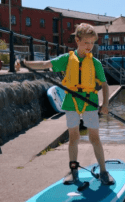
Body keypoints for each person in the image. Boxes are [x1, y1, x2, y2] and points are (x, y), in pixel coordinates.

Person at [23, 23, 115, 185]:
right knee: (74, 137)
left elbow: (105, 85)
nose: (89, 46)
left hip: (90, 102)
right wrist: (26, 64)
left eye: (92, 43)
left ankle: (103, 171)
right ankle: (74, 172)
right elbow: (45, 64)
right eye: (86, 42)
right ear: (77, 40)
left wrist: (105, 104)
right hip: (71, 103)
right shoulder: (67, 59)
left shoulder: (95, 63)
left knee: (94, 137)